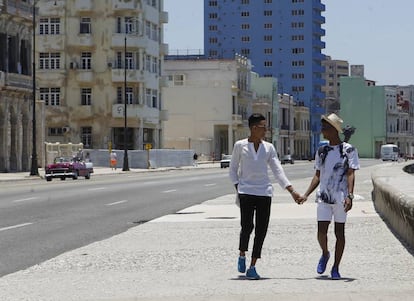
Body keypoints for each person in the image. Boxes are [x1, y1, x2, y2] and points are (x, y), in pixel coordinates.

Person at [229, 113, 301, 280]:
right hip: (246, 192)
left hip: (264, 192)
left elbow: (277, 170)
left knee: (261, 230)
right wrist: (238, 187)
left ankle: (253, 266)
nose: (266, 130)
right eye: (263, 127)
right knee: (247, 227)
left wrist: (292, 191)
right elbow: (232, 169)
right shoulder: (240, 146)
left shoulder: (269, 147)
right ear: (254, 128)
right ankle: (242, 254)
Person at [297, 113, 360, 280]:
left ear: (334, 129)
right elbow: (318, 174)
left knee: (339, 233)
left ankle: (336, 267)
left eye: (325, 127)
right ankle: (325, 253)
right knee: (321, 232)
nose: (322, 130)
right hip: (324, 197)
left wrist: (350, 195)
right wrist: (306, 194)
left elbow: (351, 173)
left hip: (341, 197)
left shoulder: (348, 149)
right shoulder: (322, 150)